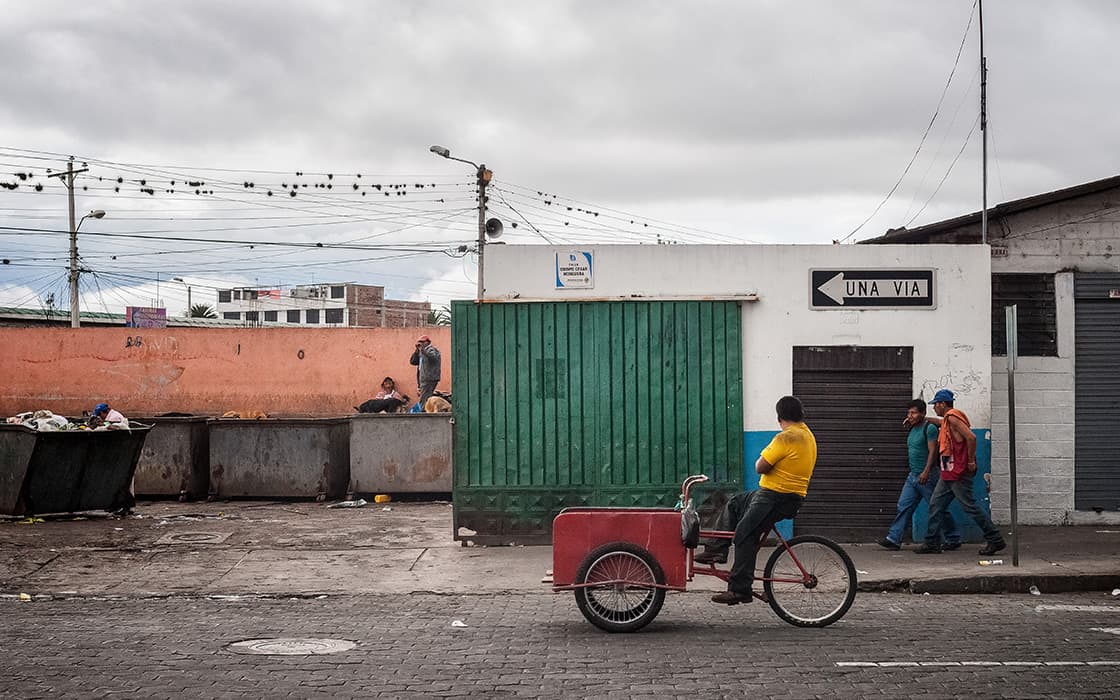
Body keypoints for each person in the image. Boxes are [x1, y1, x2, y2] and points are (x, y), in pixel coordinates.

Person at [695, 396, 817, 605]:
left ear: (779, 417)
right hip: (781, 495)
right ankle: (716, 550)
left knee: (745, 532)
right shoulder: (808, 435)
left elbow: (760, 466)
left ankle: (739, 589)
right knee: (734, 503)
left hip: (775, 496)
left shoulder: (785, 437)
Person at [915, 389, 1006, 555]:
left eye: (935, 405)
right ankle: (932, 542)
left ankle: (995, 539)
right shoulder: (947, 421)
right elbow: (940, 423)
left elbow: (971, 437)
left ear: (942, 404)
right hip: (948, 472)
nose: (934, 408)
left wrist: (971, 460)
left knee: (969, 506)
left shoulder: (952, 418)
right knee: (935, 505)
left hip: (958, 472)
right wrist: (922, 419)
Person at [878, 399, 961, 551]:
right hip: (913, 476)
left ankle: (953, 537)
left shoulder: (929, 429)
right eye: (908, 412)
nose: (910, 415)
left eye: (914, 413)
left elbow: (932, 452)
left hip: (927, 476)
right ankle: (894, 538)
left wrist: (926, 471)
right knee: (904, 506)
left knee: (937, 508)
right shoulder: (912, 428)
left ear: (922, 414)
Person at [409, 334, 441, 409]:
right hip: (423, 378)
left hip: (429, 378)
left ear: (428, 342)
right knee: (425, 397)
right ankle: (425, 411)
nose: (421, 344)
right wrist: (417, 351)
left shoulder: (431, 349)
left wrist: (422, 350)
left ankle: (424, 413)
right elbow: (413, 361)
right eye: (419, 342)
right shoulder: (421, 351)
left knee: (424, 398)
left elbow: (433, 357)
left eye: (422, 342)